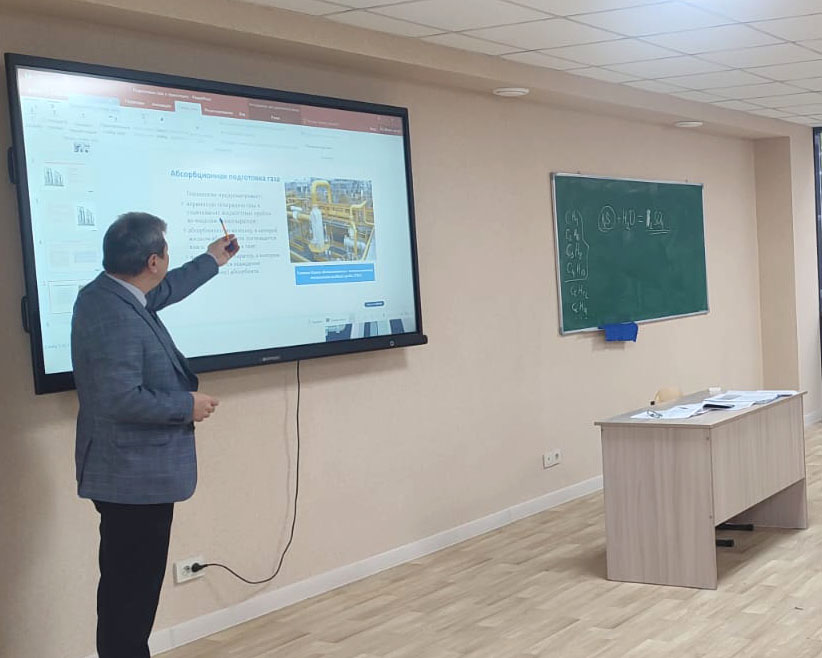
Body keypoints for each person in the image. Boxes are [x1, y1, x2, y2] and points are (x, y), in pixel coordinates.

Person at [70, 211, 239, 658]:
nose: (166, 261)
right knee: (130, 600)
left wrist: (212, 259)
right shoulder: (115, 313)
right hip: (132, 480)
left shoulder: (113, 294)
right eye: (165, 253)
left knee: (129, 595)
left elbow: (166, 290)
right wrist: (187, 405)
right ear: (152, 261)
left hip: (131, 475)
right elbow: (119, 398)